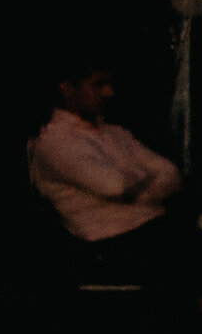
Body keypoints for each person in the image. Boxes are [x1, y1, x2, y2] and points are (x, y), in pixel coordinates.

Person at [27, 51, 183, 284]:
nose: (109, 92)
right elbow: (114, 187)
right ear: (67, 88)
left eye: (109, 84)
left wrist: (133, 189)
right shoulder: (53, 141)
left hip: (154, 235)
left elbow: (172, 175)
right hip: (109, 249)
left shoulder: (115, 133)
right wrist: (144, 179)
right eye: (98, 84)